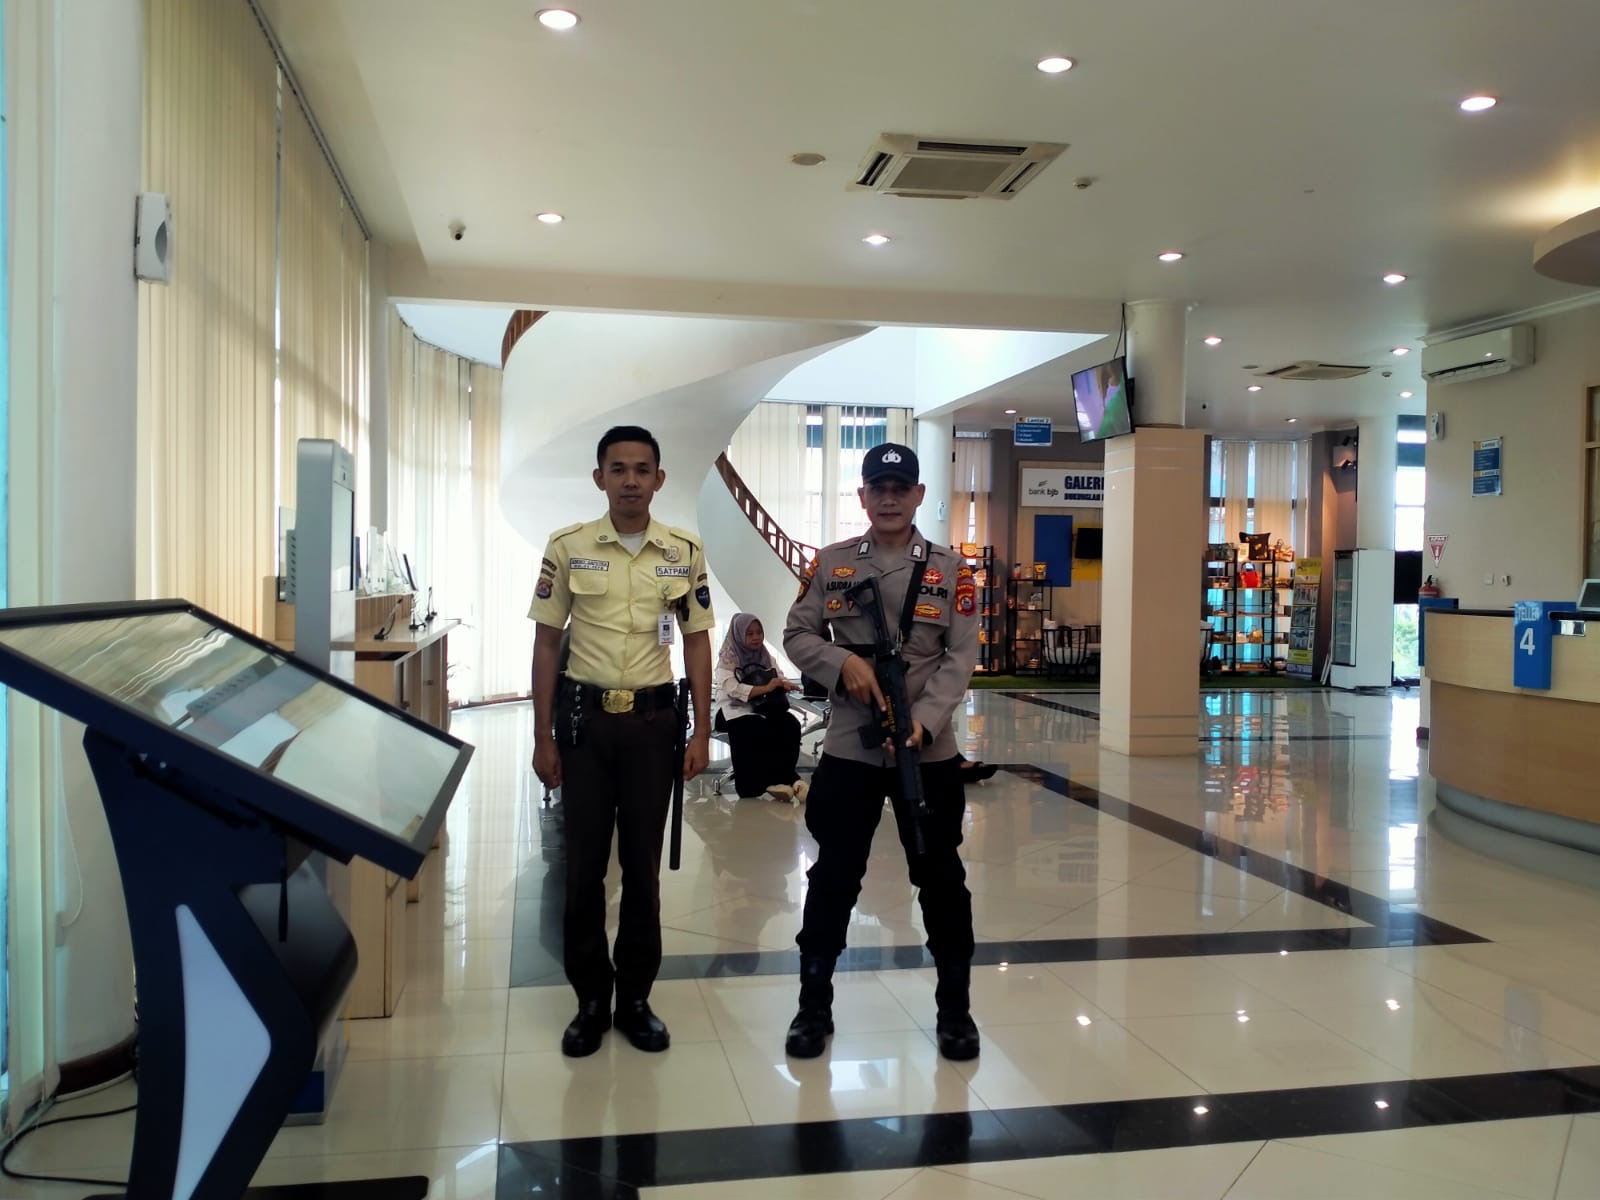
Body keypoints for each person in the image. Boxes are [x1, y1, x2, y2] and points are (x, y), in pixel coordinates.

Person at [782, 442, 981, 1062]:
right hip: (852, 745)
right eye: (878, 487)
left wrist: (924, 721)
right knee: (834, 875)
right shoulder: (832, 563)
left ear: (918, 495)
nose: (889, 498)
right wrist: (842, 663)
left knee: (941, 879)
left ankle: (955, 1010)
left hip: (929, 750)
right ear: (863, 496)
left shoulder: (952, 570)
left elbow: (961, 655)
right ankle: (813, 1005)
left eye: (901, 488)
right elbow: (797, 633)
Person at [528, 425, 714, 1057]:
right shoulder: (568, 547)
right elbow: (546, 643)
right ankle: (590, 998)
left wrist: (702, 730)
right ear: (599, 478)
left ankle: (634, 998)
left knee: (642, 867)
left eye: (641, 469)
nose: (630, 480)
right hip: (584, 726)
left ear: (659, 479)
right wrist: (543, 736)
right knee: (582, 868)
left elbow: (696, 640)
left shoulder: (683, 551)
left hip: (652, 728)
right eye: (618, 469)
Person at [713, 613, 808, 802]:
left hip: (762, 707)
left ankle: (786, 777)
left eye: (759, 632)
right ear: (739, 635)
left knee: (790, 724)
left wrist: (784, 684)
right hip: (732, 710)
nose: (756, 637)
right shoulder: (728, 659)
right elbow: (733, 690)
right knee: (754, 727)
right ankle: (753, 785)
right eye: (749, 634)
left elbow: (777, 675)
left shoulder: (765, 656)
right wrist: (766, 688)